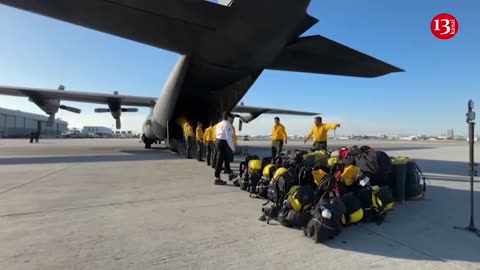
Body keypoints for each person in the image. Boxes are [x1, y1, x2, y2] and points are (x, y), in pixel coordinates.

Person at [213, 112, 236, 185]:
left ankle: (230, 174)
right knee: (220, 160)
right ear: (228, 117)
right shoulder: (227, 124)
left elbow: (216, 133)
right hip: (223, 142)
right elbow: (228, 137)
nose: (232, 119)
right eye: (231, 117)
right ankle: (217, 178)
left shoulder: (219, 124)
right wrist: (232, 148)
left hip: (218, 141)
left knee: (226, 159)